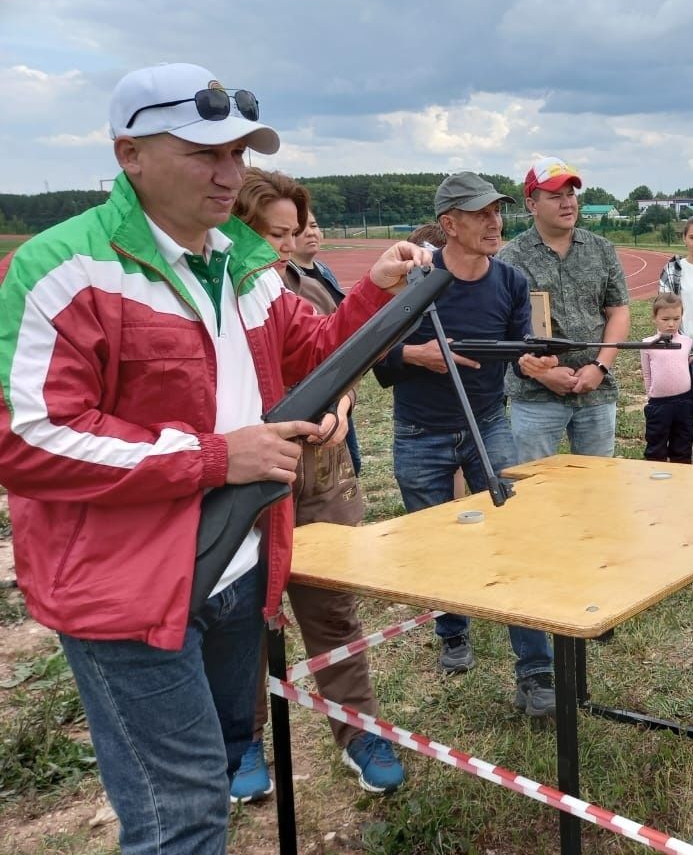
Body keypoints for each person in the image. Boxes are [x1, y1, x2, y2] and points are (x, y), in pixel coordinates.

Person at [0, 62, 430, 855]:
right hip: (127, 592)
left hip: (241, 570)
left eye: (237, 153)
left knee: (223, 759)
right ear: (129, 153)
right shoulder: (64, 269)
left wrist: (374, 289)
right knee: (184, 812)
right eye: (203, 153)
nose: (229, 174)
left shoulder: (241, 266)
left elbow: (318, 353)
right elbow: (29, 443)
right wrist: (211, 458)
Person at [229, 169, 404, 801]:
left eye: (290, 233)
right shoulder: (207, 300)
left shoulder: (299, 291)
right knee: (241, 615)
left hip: (320, 478)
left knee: (332, 611)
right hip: (243, 484)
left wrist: (341, 406)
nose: (283, 248)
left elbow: (336, 359)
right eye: (271, 235)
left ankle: (358, 730)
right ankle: (242, 737)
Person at [373, 172, 560, 716]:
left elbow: (516, 349)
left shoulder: (510, 282)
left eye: (497, 212)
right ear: (449, 225)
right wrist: (416, 355)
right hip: (419, 432)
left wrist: (533, 362)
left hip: (488, 424)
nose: (494, 222)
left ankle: (536, 669)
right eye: (480, 214)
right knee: (434, 544)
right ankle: (453, 628)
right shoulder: (413, 282)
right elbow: (369, 353)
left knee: (514, 540)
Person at [496, 157, 630, 461]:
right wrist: (544, 375)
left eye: (571, 195)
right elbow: (503, 329)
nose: (567, 203)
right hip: (535, 397)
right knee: (532, 485)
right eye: (556, 196)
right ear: (532, 204)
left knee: (596, 485)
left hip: (595, 391)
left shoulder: (602, 250)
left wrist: (600, 367)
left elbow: (618, 312)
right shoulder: (509, 259)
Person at [291, 208, 363, 475]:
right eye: (300, 228)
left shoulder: (323, 271)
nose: (311, 232)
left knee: (349, 462)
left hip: (339, 386)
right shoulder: (287, 281)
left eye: (314, 224)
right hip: (317, 390)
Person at [640, 292, 693, 463]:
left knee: (683, 446)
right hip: (659, 404)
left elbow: (687, 367)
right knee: (656, 447)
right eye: (665, 319)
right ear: (654, 318)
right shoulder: (647, 344)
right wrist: (651, 395)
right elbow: (647, 372)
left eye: (676, 318)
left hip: (685, 402)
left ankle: (680, 483)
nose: (671, 324)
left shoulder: (687, 342)